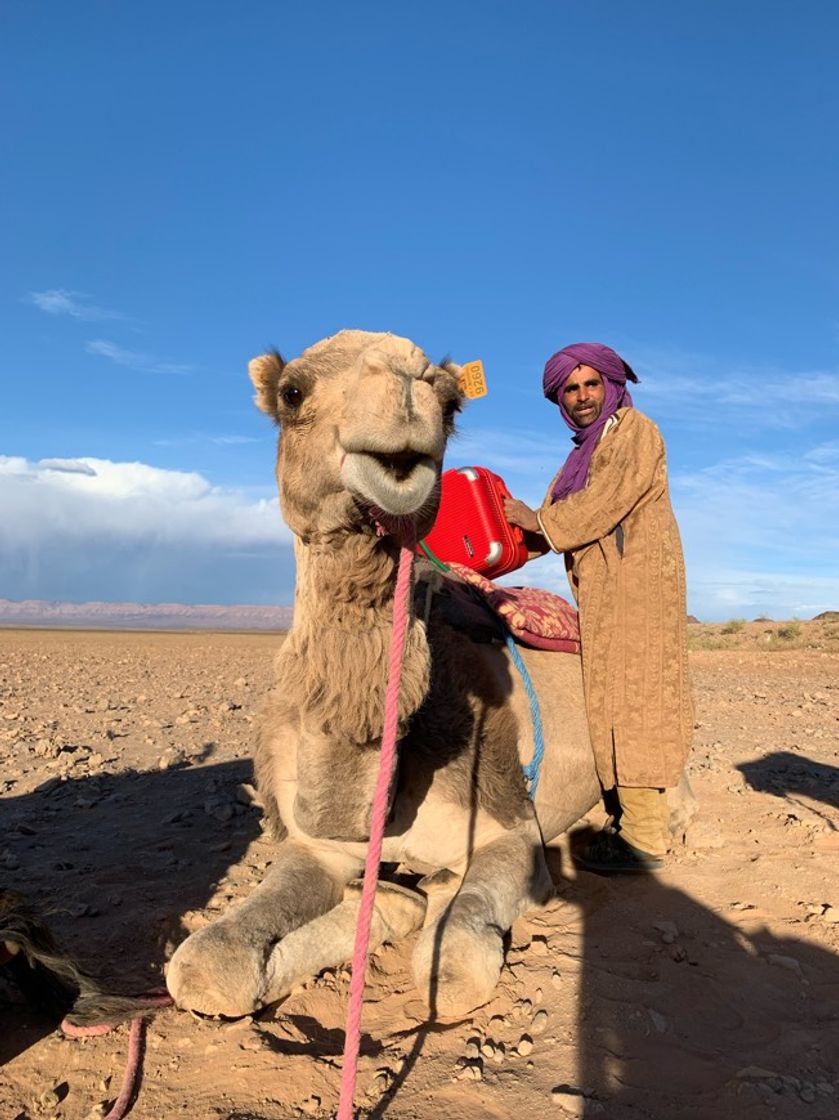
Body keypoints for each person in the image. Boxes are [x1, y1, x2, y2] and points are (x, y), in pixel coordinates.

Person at [504, 342, 693, 872]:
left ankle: (644, 837)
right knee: (611, 701)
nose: (583, 395)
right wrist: (491, 543)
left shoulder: (635, 432)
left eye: (591, 384)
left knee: (636, 702)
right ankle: (630, 817)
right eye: (571, 388)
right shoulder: (582, 454)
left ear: (610, 384)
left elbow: (597, 506)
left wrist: (535, 522)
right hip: (607, 594)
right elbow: (553, 521)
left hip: (638, 593)